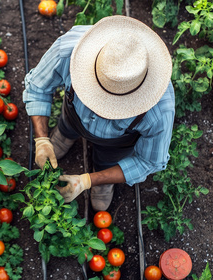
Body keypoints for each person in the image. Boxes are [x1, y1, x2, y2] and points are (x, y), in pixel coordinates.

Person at [22, 15, 175, 211]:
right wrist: (41, 139)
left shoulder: (159, 110)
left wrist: (87, 180)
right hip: (72, 115)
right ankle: (64, 137)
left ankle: (103, 178)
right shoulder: (69, 51)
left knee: (107, 159)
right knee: (67, 126)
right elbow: (38, 88)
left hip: (117, 142)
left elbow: (149, 161)